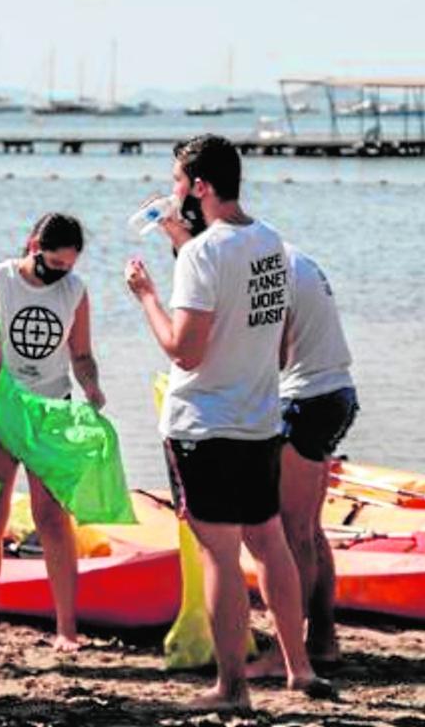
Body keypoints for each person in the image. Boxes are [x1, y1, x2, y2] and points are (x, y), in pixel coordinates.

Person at [124, 135, 332, 712]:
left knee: (220, 554)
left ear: (201, 186)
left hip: (204, 424)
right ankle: (300, 668)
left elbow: (183, 350)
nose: (172, 192)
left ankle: (231, 688)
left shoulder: (202, 255)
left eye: (176, 182)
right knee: (270, 545)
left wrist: (144, 296)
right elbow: (281, 340)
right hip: (259, 419)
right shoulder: (271, 243)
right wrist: (179, 241)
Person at [0, 212, 104, 653]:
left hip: (53, 409)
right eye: (52, 265)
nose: (59, 275)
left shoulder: (74, 289)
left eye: (67, 267)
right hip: (3, 407)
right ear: (33, 245)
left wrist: (91, 385)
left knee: (52, 517)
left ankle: (66, 629)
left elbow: (83, 353)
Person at [272, 244, 359, 665]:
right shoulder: (292, 256)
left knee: (292, 534)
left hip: (306, 400)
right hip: (336, 393)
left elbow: (277, 352)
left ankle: (290, 654)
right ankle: (323, 639)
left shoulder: (263, 265)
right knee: (308, 528)